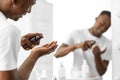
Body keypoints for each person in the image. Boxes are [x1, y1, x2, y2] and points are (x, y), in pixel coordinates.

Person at [0, 0, 58, 80]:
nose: (29, 11)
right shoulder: (8, 30)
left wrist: (17, 42)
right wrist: (35, 54)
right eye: (30, 5)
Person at [55, 11, 111, 79]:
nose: (103, 28)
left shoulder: (108, 44)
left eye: (106, 27)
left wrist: (97, 55)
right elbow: (57, 54)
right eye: (102, 23)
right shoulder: (76, 34)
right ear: (96, 19)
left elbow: (102, 72)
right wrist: (76, 46)